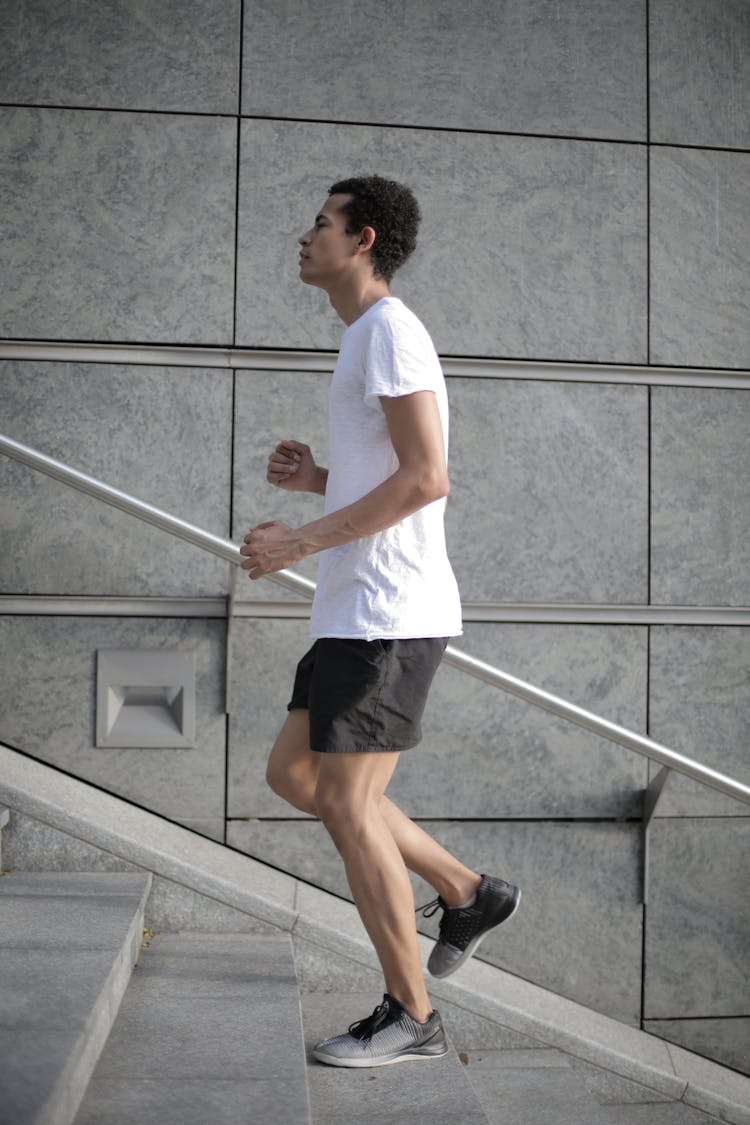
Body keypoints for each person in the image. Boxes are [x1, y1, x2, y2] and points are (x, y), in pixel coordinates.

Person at [240, 175, 520, 1067]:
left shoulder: (391, 332)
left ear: (361, 240)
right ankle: (464, 890)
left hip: (388, 613)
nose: (305, 235)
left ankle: (412, 1013)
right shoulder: (365, 337)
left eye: (320, 223)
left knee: (350, 805)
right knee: (296, 773)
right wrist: (321, 477)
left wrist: (300, 540)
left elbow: (428, 476)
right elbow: (396, 473)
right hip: (353, 608)